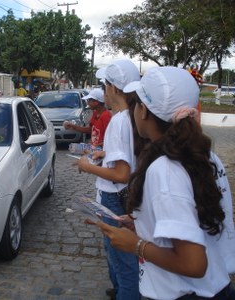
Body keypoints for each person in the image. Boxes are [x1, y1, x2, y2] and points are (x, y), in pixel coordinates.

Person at [94, 66, 235, 299]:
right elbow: (192, 213)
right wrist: (145, 220)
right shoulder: (206, 155)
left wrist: (136, 245)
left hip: (184, 293)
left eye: (136, 104)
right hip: (215, 287)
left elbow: (193, 263)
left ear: (144, 112)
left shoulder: (165, 168)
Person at [76, 60, 141, 300]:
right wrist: (106, 154)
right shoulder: (133, 115)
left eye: (105, 85)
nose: (104, 90)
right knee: (117, 255)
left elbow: (121, 174)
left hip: (114, 197)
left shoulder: (118, 121)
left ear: (113, 88)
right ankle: (118, 291)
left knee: (123, 262)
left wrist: (87, 166)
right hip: (125, 195)